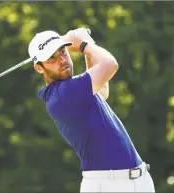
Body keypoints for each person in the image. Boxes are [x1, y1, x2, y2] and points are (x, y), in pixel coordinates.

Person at [28, 28, 155, 192]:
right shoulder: (64, 93)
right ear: (39, 68)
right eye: (51, 58)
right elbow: (110, 64)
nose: (61, 60)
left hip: (136, 181)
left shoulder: (69, 89)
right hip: (109, 185)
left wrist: (87, 46)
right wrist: (82, 44)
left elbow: (102, 92)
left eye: (63, 52)